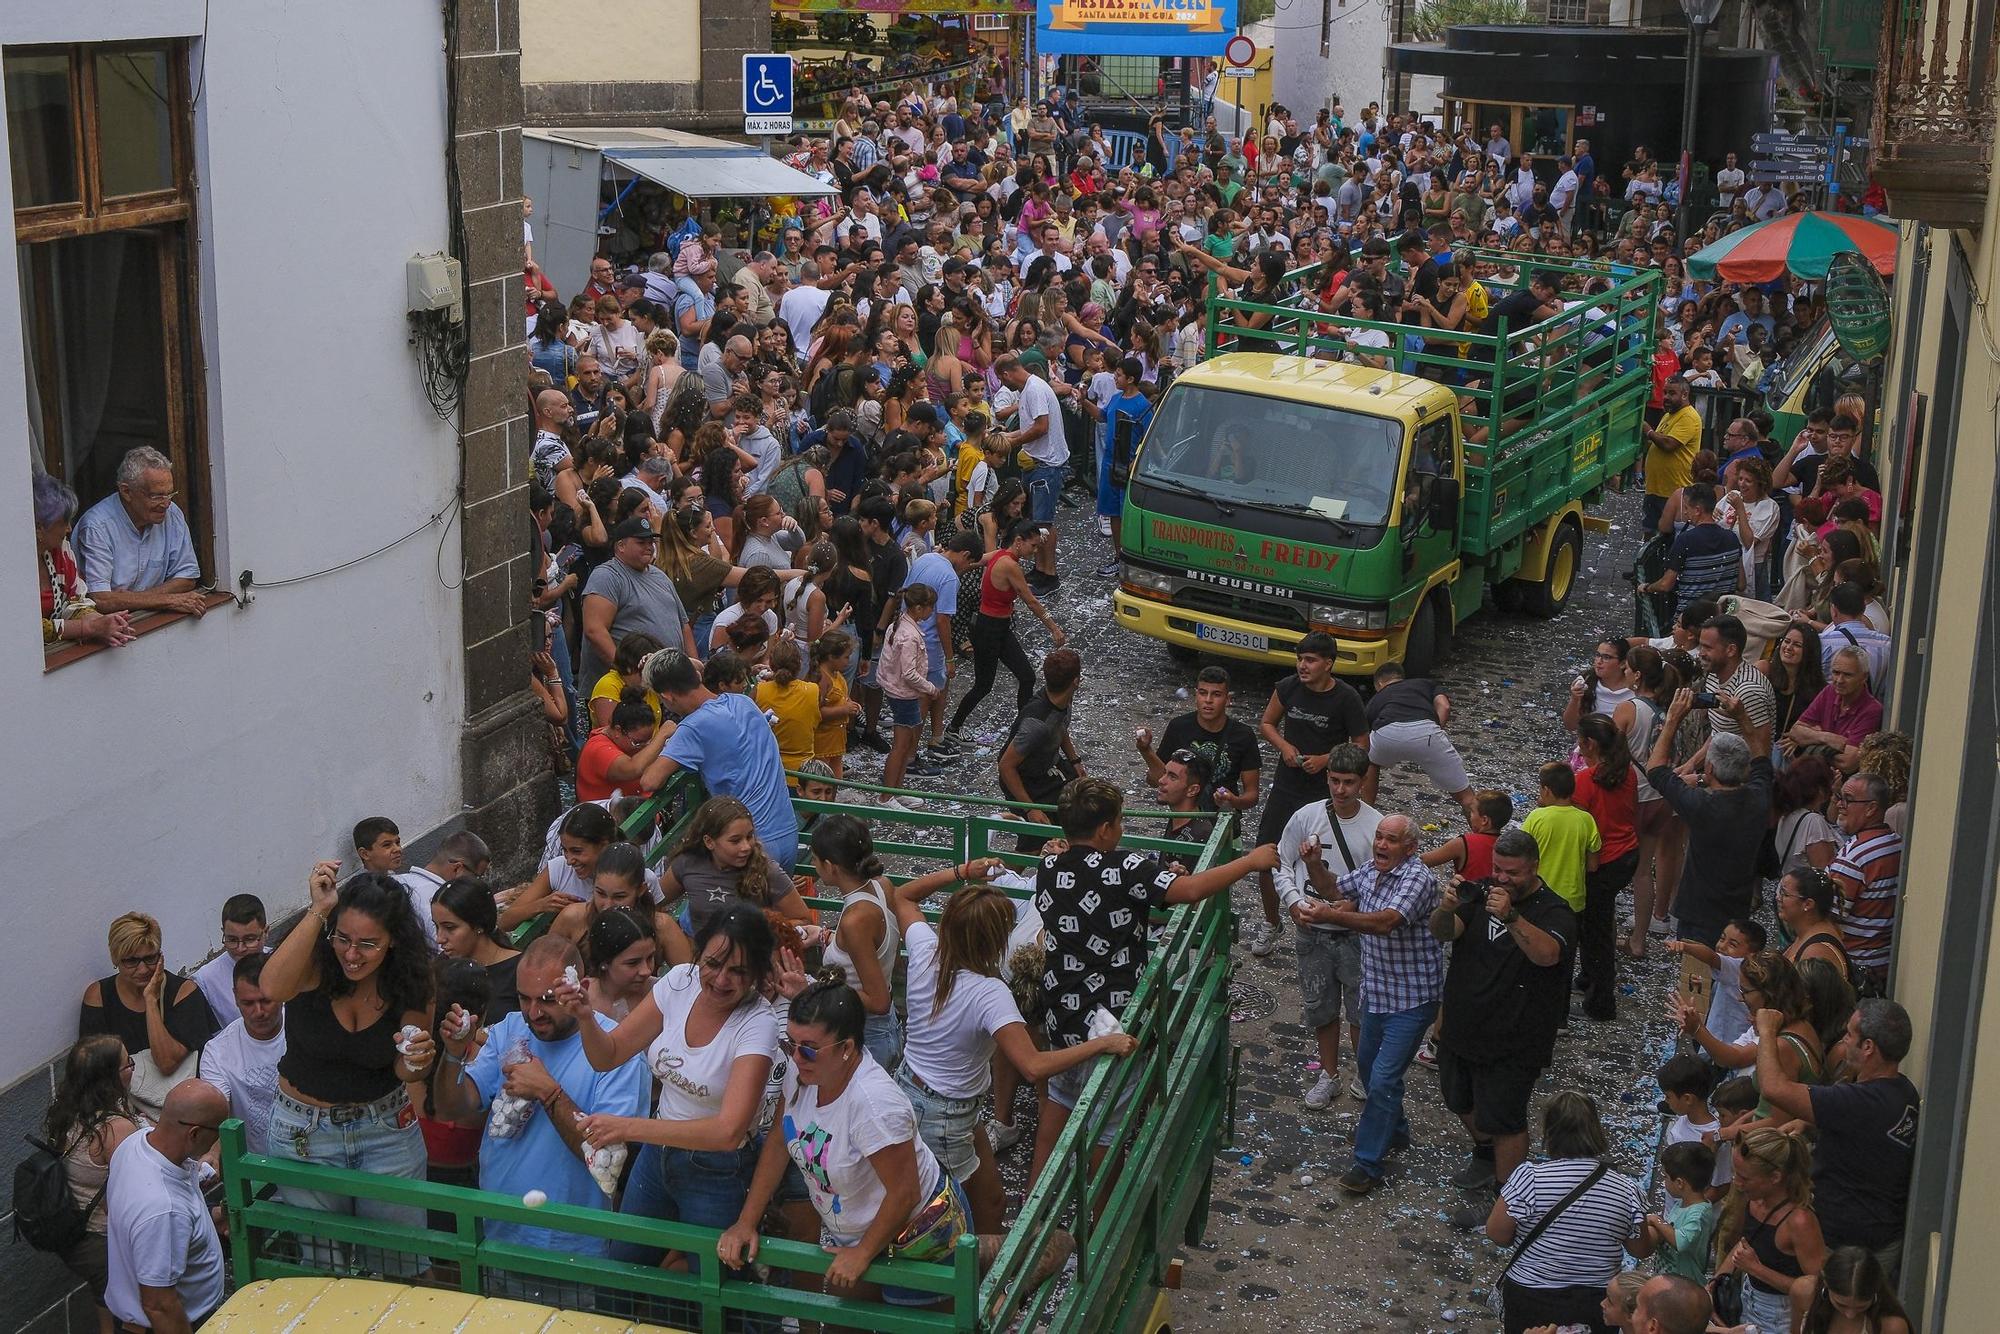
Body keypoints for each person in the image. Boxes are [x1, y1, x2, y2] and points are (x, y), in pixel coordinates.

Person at [1030, 778, 1279, 1178]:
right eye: (1121, 820)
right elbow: (1192, 889)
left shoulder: (1048, 866)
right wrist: (1250, 861)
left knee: (1059, 1100)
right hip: (1111, 1018)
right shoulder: (1125, 865)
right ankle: (1098, 1227)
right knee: (1106, 1130)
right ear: (1105, 829)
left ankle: (1034, 1201)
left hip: (1061, 1010)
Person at [887, 858, 1137, 1231]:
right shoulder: (990, 993)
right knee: (945, 1220)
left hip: (921, 1092)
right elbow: (1033, 1066)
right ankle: (972, 1285)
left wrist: (961, 872)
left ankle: (991, 1279)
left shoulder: (926, 951)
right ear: (996, 940)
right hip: (945, 1112)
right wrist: (1100, 1045)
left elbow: (902, 895)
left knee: (991, 1203)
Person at [721, 980, 976, 1307]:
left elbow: (905, 1192)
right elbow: (778, 1141)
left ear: (846, 1048)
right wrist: (746, 1222)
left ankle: (996, 1266)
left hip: (919, 1237)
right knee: (847, 1321)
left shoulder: (874, 1106)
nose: (797, 1057)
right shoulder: (802, 1074)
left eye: (809, 1048)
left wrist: (863, 1253)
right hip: (858, 1234)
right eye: (790, 1044)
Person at [431, 937, 651, 1279]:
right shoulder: (510, 1029)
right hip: (498, 1235)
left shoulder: (618, 1052)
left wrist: (548, 1093)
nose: (533, 1012)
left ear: (584, 987)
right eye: (524, 998)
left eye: (548, 999)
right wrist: (453, 1054)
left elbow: (607, 1159)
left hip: (573, 1248)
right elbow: (451, 1109)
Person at [260, 865, 435, 1251]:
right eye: (343, 938)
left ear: (393, 941)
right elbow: (271, 986)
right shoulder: (317, 961)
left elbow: (405, 1068)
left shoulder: (412, 977)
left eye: (368, 944)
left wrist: (418, 1059)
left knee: (400, 1260)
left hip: (385, 1128)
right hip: (304, 1134)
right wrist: (319, 909)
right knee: (322, 1264)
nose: (352, 955)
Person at [1432, 829, 1577, 1214]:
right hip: (1463, 1026)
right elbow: (1444, 934)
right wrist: (1446, 908)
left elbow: (1548, 956)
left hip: (1515, 1039)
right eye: (1497, 868)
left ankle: (1506, 1199)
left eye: (1512, 873)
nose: (1501, 878)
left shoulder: (1555, 911)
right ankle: (1484, 1154)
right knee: (1457, 1097)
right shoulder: (1479, 891)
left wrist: (1511, 916)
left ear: (1534, 868)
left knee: (1506, 1120)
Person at [1298, 815, 1442, 1194]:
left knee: (1382, 1078)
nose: (1381, 844)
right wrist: (1314, 863)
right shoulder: (1372, 869)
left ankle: (1367, 1164)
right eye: (1379, 837)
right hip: (1377, 990)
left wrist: (1334, 914)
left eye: (1390, 840)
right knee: (1369, 1068)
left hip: (1411, 997)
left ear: (1409, 848)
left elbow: (1385, 922)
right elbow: (1333, 887)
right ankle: (1395, 1131)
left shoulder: (1417, 879)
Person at [1754, 998, 1918, 1279]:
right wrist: (1809, 1122)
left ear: (1868, 1047)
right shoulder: (1902, 1092)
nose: (1844, 1039)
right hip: (1878, 1233)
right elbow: (1865, 1131)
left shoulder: (1858, 1101)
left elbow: (1773, 1088)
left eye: (1850, 1034)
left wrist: (1768, 1031)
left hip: (1847, 1245)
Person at [1484, 1090, 1653, 1334]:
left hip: (1531, 1296)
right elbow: (1640, 1249)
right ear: (1596, 1130)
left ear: (1550, 1132)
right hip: (1596, 1302)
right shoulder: (1626, 1189)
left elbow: (1497, 1233)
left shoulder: (1529, 1178)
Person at [1275, 745, 1383, 1109]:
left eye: (1348, 782)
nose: (1340, 790)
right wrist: (1293, 902)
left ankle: (1364, 1074)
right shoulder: (1307, 816)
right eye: (1334, 781)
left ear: (1362, 781)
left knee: (1359, 1010)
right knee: (1321, 1007)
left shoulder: (1375, 827)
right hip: (1312, 931)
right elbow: (1282, 862)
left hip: (1355, 936)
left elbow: (1381, 885)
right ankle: (1329, 1074)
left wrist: (1346, 908)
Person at [1257, 632, 1372, 960]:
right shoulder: (1288, 687)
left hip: (1325, 793)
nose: (1302, 666)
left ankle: (1328, 920)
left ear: (1328, 664)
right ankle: (1271, 920)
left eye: (1310, 660)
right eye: (1300, 659)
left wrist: (1326, 760)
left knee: (1323, 861)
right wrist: (1284, 747)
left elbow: (1361, 743)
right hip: (1287, 786)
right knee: (1267, 856)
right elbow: (1267, 723)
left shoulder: (1346, 698)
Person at [640, 648, 801, 870]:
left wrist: (664, 734)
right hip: (788, 835)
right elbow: (697, 667)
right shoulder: (743, 702)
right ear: (695, 677)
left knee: (699, 900)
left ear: (666, 696)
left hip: (749, 847)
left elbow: (650, 781)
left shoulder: (692, 727)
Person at [1647, 691, 1773, 947]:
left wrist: (1672, 719)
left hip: (1698, 914)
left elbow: (1656, 770)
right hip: (1737, 911)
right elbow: (1762, 759)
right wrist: (1742, 717)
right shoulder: (1758, 798)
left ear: (1710, 768)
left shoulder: (1701, 805)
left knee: (1697, 982)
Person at [103, 1080, 229, 1333]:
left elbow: (111, 1207)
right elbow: (159, 1305)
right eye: (217, 1133)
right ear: (193, 1134)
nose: (218, 1141)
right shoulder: (164, 1208)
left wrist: (203, 1224)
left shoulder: (135, 1144)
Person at [41, 1034, 143, 1334]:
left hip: (75, 1235)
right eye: (128, 1065)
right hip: (103, 1240)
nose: (133, 1069)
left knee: (105, 1304)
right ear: (109, 1078)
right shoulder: (115, 1128)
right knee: (132, 1316)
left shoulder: (65, 1113)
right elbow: (124, 1200)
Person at [79, 912, 217, 1119]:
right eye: (131, 961)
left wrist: (151, 1001)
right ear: (116, 959)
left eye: (150, 958)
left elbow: (166, 1063)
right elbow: (94, 1069)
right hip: (123, 1108)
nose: (143, 969)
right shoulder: (98, 996)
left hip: (182, 1108)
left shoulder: (183, 992)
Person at [945, 519, 1065, 741]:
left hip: (998, 628)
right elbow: (1031, 602)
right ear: (1019, 542)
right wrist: (1054, 628)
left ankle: (1022, 729)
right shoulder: (1010, 565)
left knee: (1026, 676)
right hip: (988, 630)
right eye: (1033, 545)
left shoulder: (1000, 554)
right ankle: (954, 726)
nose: (1035, 551)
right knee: (983, 685)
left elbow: (975, 561)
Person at [809, 815, 904, 1069]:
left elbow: (879, 1002)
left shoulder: (855, 920)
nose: (813, 865)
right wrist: (825, 936)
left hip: (866, 1037)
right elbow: (882, 954)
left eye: (816, 860)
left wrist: (821, 985)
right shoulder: (882, 885)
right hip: (883, 1031)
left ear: (831, 867)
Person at [1711, 1128, 1826, 1333]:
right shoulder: (1754, 1199)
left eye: (1745, 1178)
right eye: (1736, 1173)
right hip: (1748, 1299)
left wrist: (1757, 1269)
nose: (1737, 1183)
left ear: (1775, 1177)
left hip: (1781, 1316)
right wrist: (1714, 1283)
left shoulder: (1799, 1222)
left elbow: (1816, 1289)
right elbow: (1745, 1246)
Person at [72, 446, 207, 618]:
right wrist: (170, 599)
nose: (166, 503)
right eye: (156, 496)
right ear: (126, 491)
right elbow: (101, 600)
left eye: (169, 494)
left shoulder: (171, 512)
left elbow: (187, 578)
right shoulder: (97, 527)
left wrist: (129, 598)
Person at [1572, 715, 1639, 1021]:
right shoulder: (1627, 773)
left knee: (1596, 931)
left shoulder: (1585, 782)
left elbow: (1579, 828)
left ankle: (1602, 1000)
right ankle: (1588, 977)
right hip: (1627, 854)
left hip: (1603, 861)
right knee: (1595, 921)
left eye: (1581, 741)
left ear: (1591, 745)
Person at [580, 515, 699, 685]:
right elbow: (594, 631)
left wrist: (693, 670)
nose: (649, 547)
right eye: (641, 543)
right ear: (621, 546)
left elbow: (683, 625)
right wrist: (627, 675)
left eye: (650, 542)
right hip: (625, 690)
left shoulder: (659, 575)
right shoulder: (606, 576)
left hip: (668, 684)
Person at [194, 954, 286, 1158]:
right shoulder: (217, 1052)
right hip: (260, 1167)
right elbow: (217, 1111)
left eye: (265, 1001)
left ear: (282, 992)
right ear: (235, 997)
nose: (258, 1012)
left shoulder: (305, 1029)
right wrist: (213, 1154)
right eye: (248, 1003)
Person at [994, 353, 1070, 590]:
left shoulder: (1034, 389)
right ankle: (1040, 569)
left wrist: (1013, 443)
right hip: (1038, 464)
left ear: (1006, 374)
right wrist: (1006, 436)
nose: (1002, 384)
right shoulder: (1030, 388)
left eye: (1001, 379)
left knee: (1043, 523)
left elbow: (1041, 427)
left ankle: (1049, 575)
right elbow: (1029, 428)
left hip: (1045, 466)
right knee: (1037, 521)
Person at [1364, 660, 1475, 819]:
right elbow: (1444, 706)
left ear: (1380, 683)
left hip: (1387, 733)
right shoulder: (1425, 683)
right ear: (1402, 678)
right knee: (1467, 797)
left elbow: (1365, 733)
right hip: (1426, 731)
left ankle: (1367, 810)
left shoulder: (1377, 698)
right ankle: (1484, 836)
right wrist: (1435, 732)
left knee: (1370, 761)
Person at [34, 472, 134, 647]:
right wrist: (86, 627)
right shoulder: (11, 567)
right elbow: (28, 627)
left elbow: (76, 601)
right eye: (64, 522)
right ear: (39, 527)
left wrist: (101, 622)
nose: (69, 529)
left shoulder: (60, 551)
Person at [1827, 772, 1902, 992]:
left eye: (1848, 800)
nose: (1841, 805)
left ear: (1871, 808)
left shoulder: (1854, 856)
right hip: (1883, 963)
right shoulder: (1895, 842)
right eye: (1840, 797)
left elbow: (1830, 917)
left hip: (1855, 968)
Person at [998, 648, 1083, 843]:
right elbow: (1006, 766)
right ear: (1076, 682)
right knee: (1034, 843)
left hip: (1048, 770)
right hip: (1024, 782)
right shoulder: (1036, 724)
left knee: (1079, 813)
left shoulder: (1062, 699)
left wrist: (1075, 760)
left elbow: (1060, 727)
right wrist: (1031, 809)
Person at [431, 878, 523, 1021]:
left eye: (450, 928)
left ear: (479, 924)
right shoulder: (438, 969)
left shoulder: (520, 970)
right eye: (436, 927)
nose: (439, 938)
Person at [1520, 760, 1601, 916]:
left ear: (1546, 790)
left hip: (1539, 895)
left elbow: (1521, 851)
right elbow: (1593, 866)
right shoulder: (1586, 819)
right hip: (1573, 899)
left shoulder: (1536, 817)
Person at [392, 831, 493, 950]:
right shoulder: (438, 902)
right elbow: (447, 951)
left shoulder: (394, 881)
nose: (476, 882)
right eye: (476, 876)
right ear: (457, 868)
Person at [1789, 648, 1883, 772]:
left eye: (1847, 675)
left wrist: (1813, 746)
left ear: (1864, 677)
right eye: (1836, 673)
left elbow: (1848, 763)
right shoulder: (1829, 691)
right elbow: (1795, 732)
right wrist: (1827, 738)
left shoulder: (1872, 710)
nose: (1839, 680)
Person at [1642, 1140, 1718, 1283]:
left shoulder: (1699, 1213)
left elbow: (1681, 1241)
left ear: (1679, 1183)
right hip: (1669, 1281)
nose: (1664, 1181)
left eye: (1665, 1177)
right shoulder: (1681, 1204)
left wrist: (1655, 1220)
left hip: (1684, 1285)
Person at [189, 894, 268, 1026]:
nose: (240, 948)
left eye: (249, 939)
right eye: (232, 940)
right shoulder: (206, 980)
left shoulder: (282, 960)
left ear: (266, 932)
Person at [1796, 1247, 1911, 1334]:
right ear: (1826, 1284)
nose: (1850, 1315)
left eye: (1861, 1307)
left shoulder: (1892, 1326)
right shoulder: (1803, 1292)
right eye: (1841, 1304)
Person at [1640, 376, 1702, 532]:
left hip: (1674, 491)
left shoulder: (1688, 416)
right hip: (1655, 489)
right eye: (1665, 392)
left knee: (1668, 536)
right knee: (1650, 533)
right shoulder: (1669, 415)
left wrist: (1648, 431)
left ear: (1684, 394)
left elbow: (1669, 444)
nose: (1666, 397)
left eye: (1672, 393)